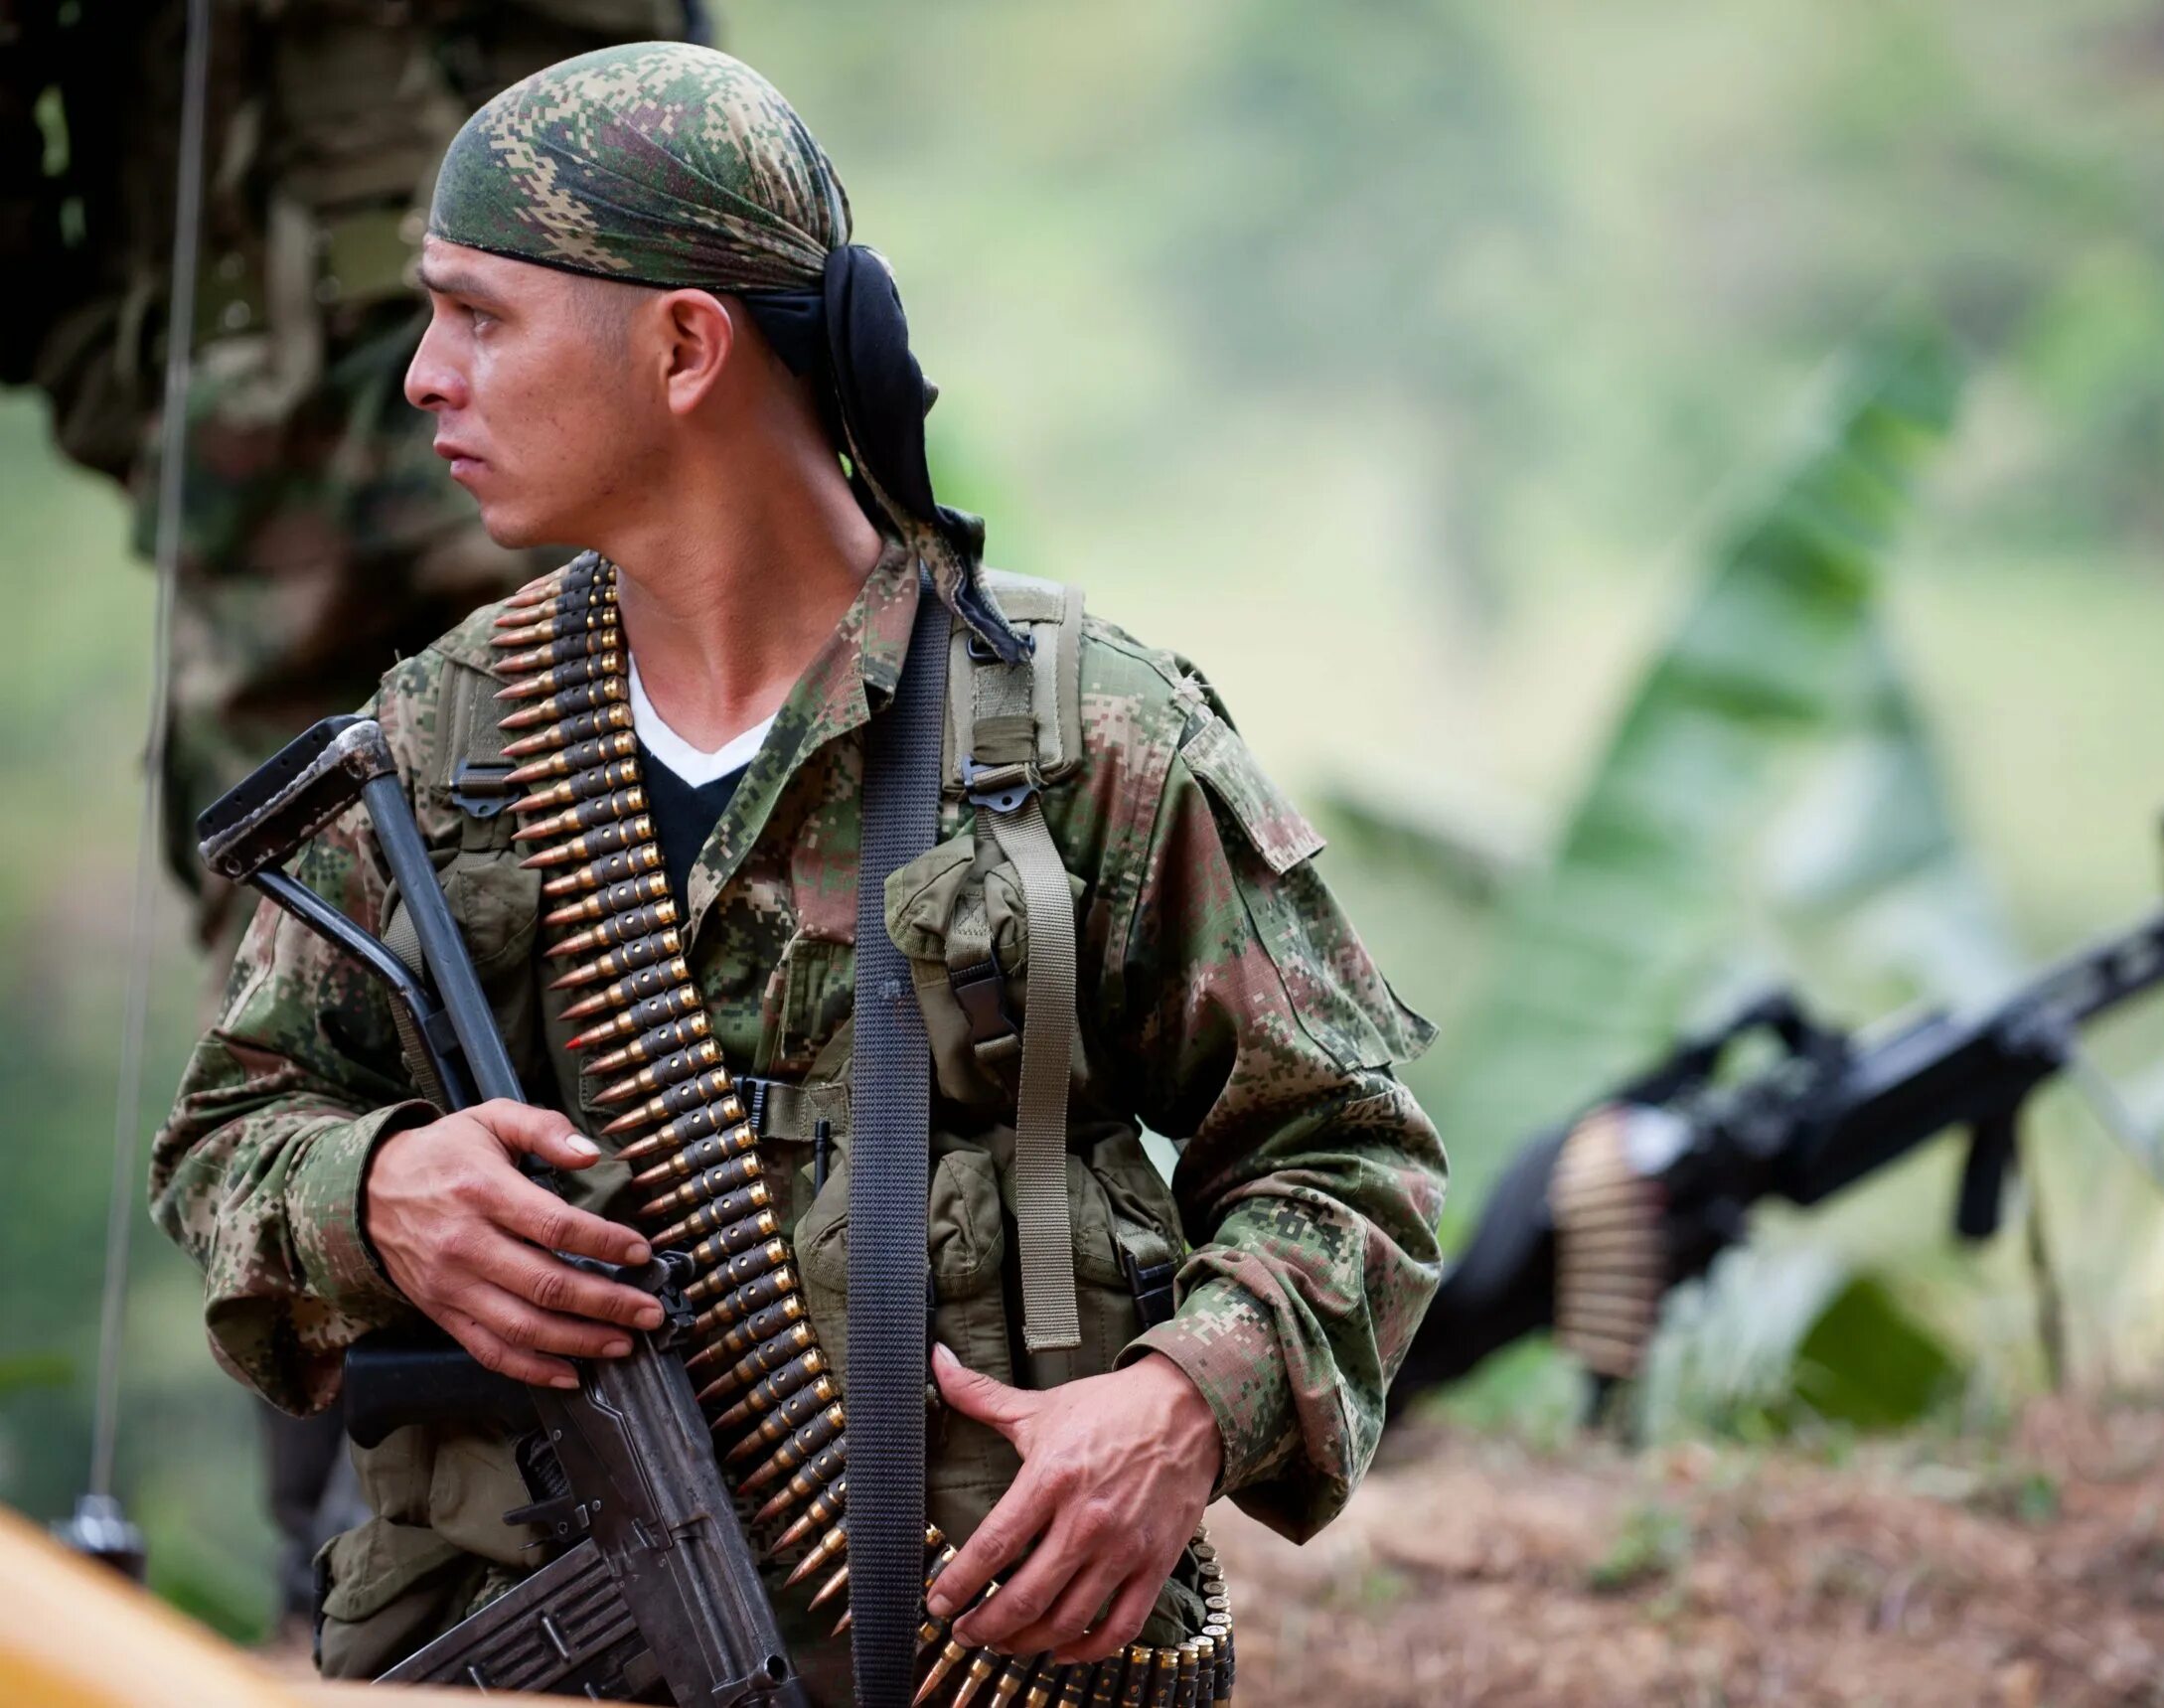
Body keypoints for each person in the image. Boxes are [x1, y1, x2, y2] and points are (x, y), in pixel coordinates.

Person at [150, 40, 1446, 1698]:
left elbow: (1352, 1153)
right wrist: (376, 1195)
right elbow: (223, 1141)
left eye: (481, 314)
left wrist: (1182, 1406)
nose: (421, 374)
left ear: (685, 346)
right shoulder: (444, 741)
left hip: (979, 1667)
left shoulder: (1078, 734)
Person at [2, 0, 690, 1633]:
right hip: (252, 493)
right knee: (308, 1025)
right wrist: (140, 376)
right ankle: (365, 1585)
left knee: (640, 946)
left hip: (564, 434)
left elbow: (670, 87)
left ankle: (682, 1551)